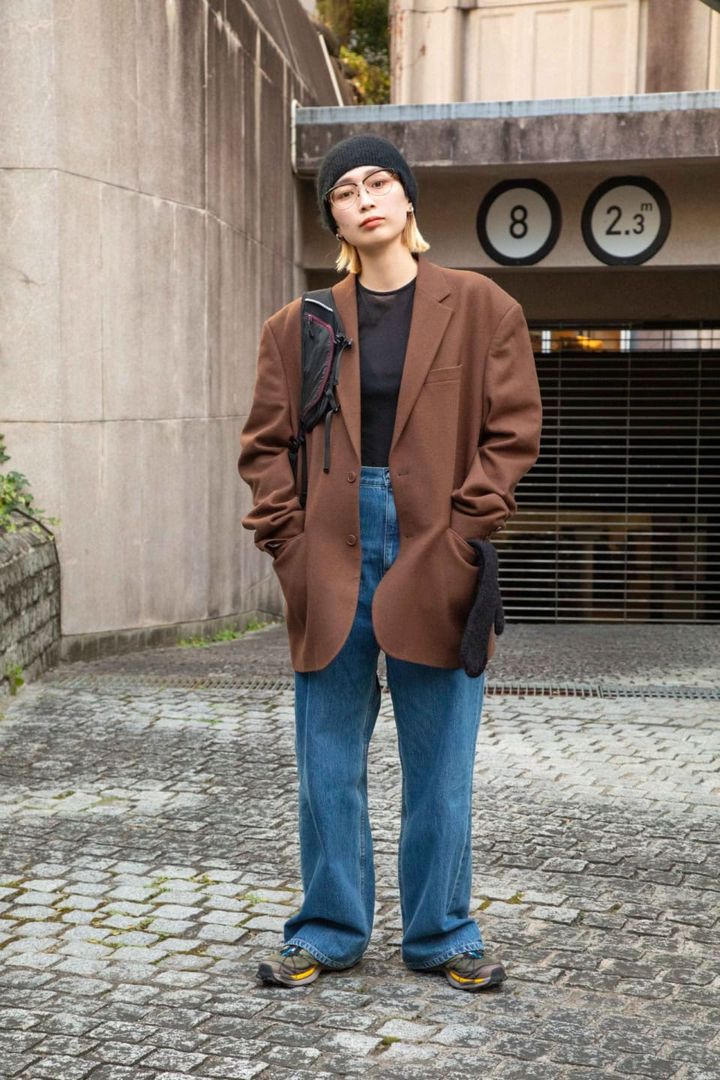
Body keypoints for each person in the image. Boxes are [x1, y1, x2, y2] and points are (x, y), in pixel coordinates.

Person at [238, 134, 542, 992]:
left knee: (440, 765)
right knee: (327, 762)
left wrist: (465, 531)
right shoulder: (299, 325)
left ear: (408, 200)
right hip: (328, 549)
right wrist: (289, 545)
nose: (364, 198)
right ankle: (329, 929)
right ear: (333, 217)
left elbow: (512, 431)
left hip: (436, 543)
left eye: (379, 183)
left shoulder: (481, 306)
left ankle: (442, 933)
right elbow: (265, 447)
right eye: (345, 190)